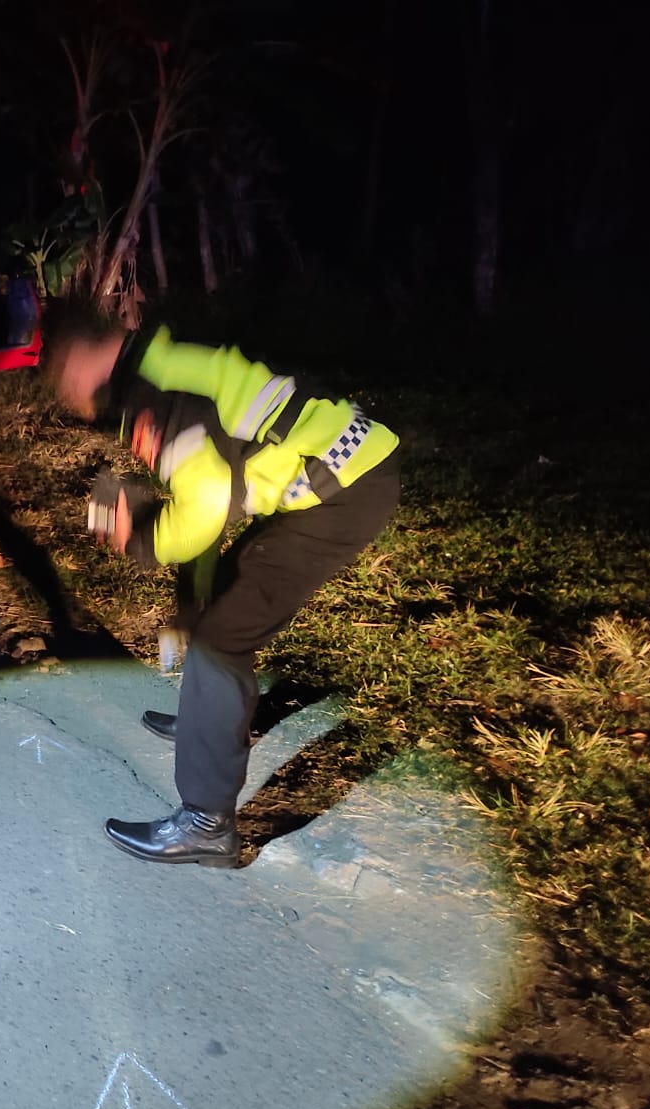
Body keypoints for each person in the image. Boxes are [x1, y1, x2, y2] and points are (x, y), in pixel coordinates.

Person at [47, 312, 401, 868]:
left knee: (220, 639)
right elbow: (212, 492)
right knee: (229, 584)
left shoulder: (154, 399)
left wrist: (139, 537)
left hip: (342, 496)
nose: (71, 396)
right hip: (347, 466)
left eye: (66, 382)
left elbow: (206, 503)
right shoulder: (170, 359)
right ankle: (207, 719)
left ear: (87, 364)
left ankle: (207, 824)